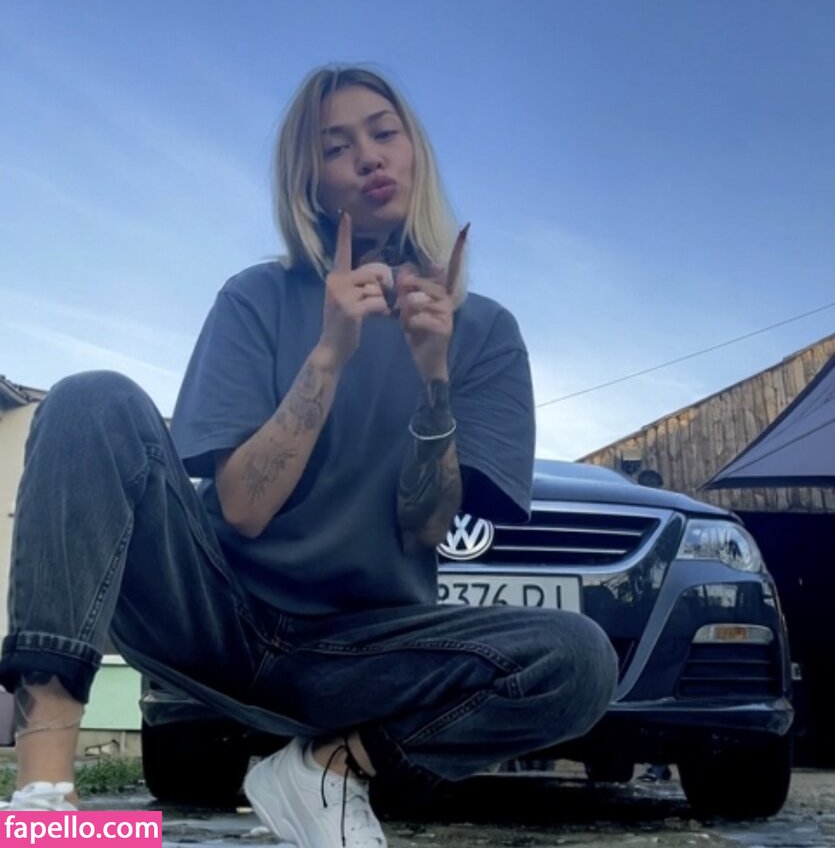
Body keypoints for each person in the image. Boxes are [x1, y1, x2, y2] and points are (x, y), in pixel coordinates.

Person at [0, 66, 618, 846]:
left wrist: (434, 383)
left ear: (415, 152)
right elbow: (242, 509)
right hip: (215, 617)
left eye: (383, 133)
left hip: (360, 650)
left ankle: (324, 772)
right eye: (336, 147)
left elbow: (428, 528)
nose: (369, 156)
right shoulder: (256, 298)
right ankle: (44, 794)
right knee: (91, 397)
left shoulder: (486, 332)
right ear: (311, 185)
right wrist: (329, 355)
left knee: (579, 658)